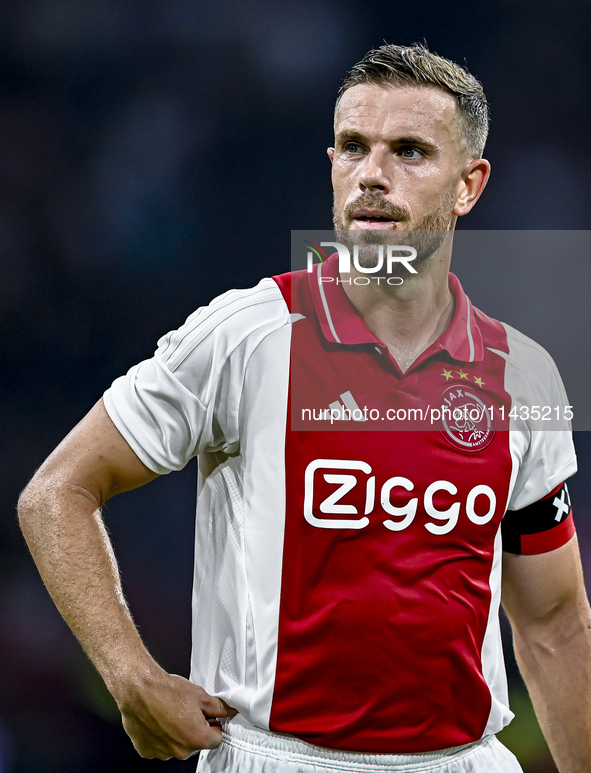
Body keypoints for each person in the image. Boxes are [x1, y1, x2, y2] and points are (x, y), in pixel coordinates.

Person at [18, 44, 591, 773]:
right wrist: (129, 673)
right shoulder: (245, 333)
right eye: (354, 147)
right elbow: (56, 492)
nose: (372, 175)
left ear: (467, 186)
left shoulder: (524, 376)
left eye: (410, 151)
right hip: (277, 758)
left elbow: (551, 624)